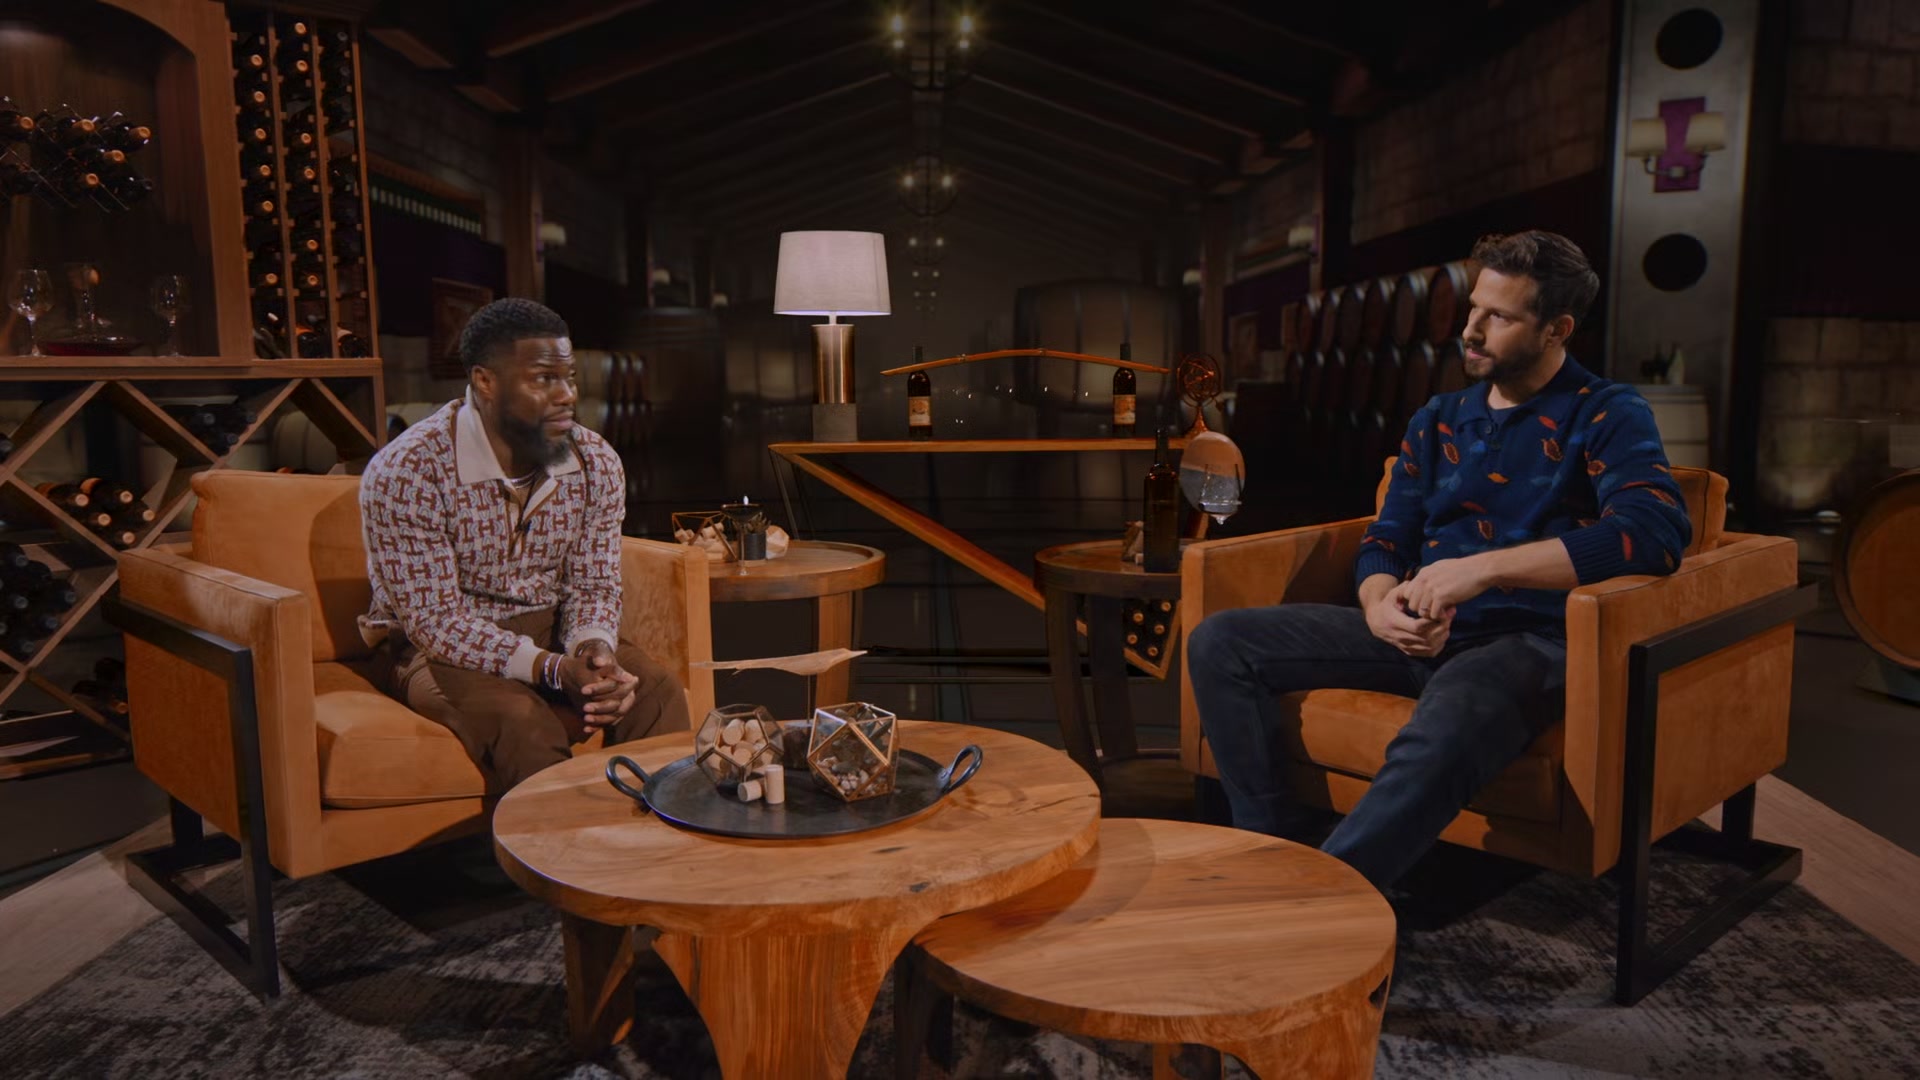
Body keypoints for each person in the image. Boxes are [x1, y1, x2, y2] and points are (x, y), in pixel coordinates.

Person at [1187, 230, 1692, 889]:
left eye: (1499, 316)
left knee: (1453, 716)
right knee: (1220, 641)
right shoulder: (1439, 417)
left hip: (1530, 640)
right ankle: (1272, 851)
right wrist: (1379, 606)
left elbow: (1652, 532)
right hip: (1418, 630)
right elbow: (1387, 538)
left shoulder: (1605, 412)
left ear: (1557, 329)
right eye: (1474, 307)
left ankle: (1328, 898)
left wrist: (1484, 569)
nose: (1471, 331)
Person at [357, 298, 689, 793]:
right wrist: (552, 670)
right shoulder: (408, 470)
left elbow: (593, 583)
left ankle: (652, 837)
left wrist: (594, 651)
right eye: (543, 379)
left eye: (569, 377)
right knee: (523, 721)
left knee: (656, 692)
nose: (566, 395)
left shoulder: (595, 460)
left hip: (548, 627)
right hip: (436, 649)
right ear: (485, 381)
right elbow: (435, 622)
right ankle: (562, 844)